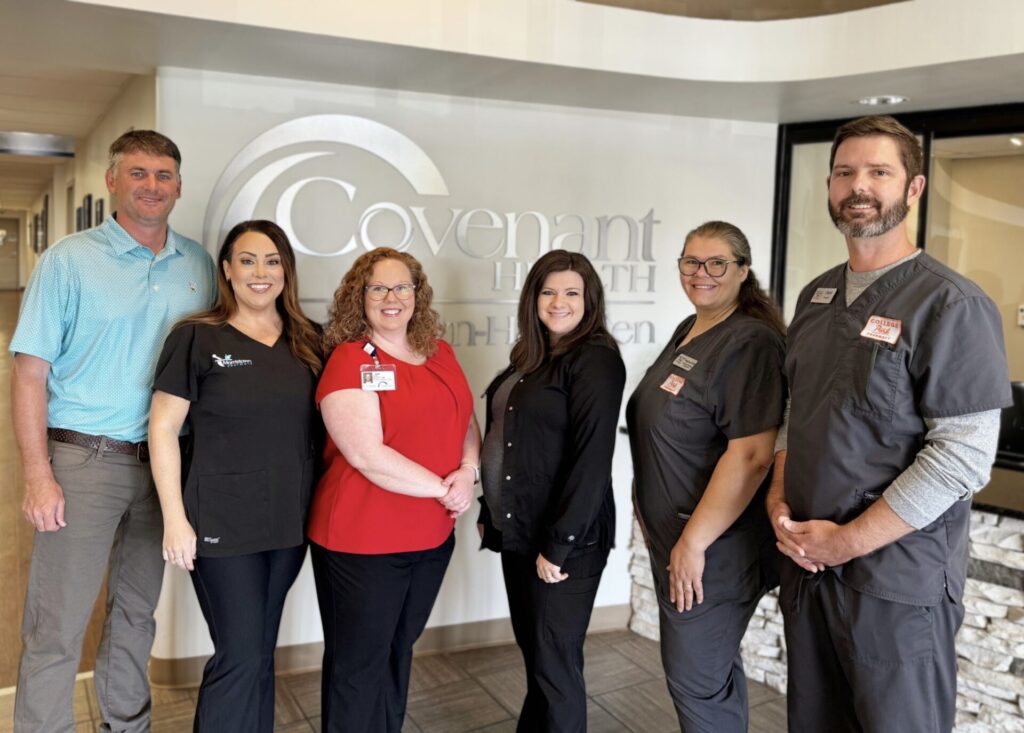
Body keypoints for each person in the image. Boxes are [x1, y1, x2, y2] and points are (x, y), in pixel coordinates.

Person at [768, 115, 1011, 732]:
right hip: (810, 572)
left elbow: (962, 456)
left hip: (894, 584)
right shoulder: (816, 298)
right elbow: (799, 415)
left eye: (880, 172)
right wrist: (777, 498)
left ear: (914, 188)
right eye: (846, 172)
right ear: (828, 187)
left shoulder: (951, 304)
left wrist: (845, 541)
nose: (860, 186)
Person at [10, 130, 215, 732]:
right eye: (139, 173)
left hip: (165, 467)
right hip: (82, 462)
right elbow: (28, 376)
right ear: (112, 181)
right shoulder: (69, 261)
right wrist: (37, 474)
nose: (152, 185)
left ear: (179, 185)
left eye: (164, 175)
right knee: (57, 624)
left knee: (135, 615)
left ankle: (127, 727)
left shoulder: (199, 265)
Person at [148, 220, 322, 732]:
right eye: (247, 260)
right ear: (227, 269)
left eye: (272, 261)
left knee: (260, 651)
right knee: (240, 654)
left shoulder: (308, 341)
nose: (260, 272)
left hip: (289, 523)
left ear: (286, 271)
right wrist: (175, 520)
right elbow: (162, 429)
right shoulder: (197, 337)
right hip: (221, 524)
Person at [308, 247, 480, 733]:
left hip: (430, 538)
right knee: (358, 665)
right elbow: (365, 454)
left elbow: (464, 417)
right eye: (378, 288)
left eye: (402, 287)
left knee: (396, 652)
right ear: (357, 297)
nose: (391, 297)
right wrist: (443, 489)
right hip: (362, 541)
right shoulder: (348, 360)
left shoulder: (439, 352)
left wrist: (468, 471)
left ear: (417, 295)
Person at [627, 221, 785, 732]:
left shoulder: (752, 343)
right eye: (691, 262)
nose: (702, 273)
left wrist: (692, 542)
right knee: (710, 674)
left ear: (743, 271)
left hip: (711, 548)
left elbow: (752, 455)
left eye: (717, 263)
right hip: (676, 538)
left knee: (696, 680)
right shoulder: (693, 327)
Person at [478, 249, 626, 733]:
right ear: (532, 298)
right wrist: (488, 505)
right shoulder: (533, 354)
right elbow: (511, 440)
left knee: (555, 667)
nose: (558, 302)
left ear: (590, 300)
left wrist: (559, 545)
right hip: (518, 531)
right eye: (548, 291)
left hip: (564, 544)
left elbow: (591, 460)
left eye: (571, 292)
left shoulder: (596, 360)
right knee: (540, 660)